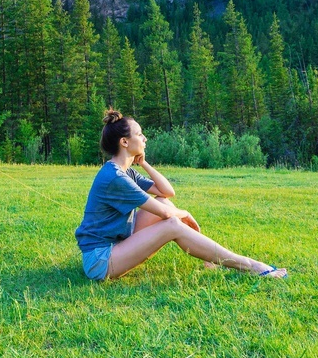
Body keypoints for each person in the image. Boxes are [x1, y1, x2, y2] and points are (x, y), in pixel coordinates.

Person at [75, 110, 288, 281]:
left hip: (116, 245)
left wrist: (143, 163)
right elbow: (164, 214)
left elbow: (167, 192)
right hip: (100, 261)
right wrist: (183, 213)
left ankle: (213, 260)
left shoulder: (125, 171)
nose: (144, 138)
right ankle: (248, 265)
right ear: (124, 142)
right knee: (173, 224)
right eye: (139, 134)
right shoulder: (115, 178)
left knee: (165, 203)